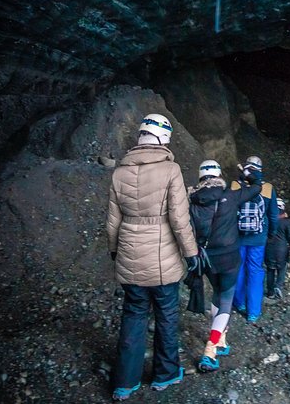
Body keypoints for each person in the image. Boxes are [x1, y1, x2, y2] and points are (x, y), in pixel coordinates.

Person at [107, 113, 200, 401]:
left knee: (134, 315)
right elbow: (179, 218)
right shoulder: (171, 170)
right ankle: (165, 374)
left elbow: (112, 221)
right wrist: (191, 252)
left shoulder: (119, 172)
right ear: (163, 139)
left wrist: (115, 250)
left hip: (130, 256)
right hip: (164, 261)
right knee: (166, 316)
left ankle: (124, 382)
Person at [188, 159, 262, 373]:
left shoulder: (191, 198)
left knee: (217, 295)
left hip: (206, 259)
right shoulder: (230, 196)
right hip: (229, 258)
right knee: (226, 301)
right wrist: (247, 173)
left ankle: (221, 340)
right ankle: (210, 349)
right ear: (218, 174)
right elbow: (257, 187)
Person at [231, 156, 279, 323]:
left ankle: (239, 302)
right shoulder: (267, 189)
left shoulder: (236, 186)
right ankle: (253, 311)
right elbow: (273, 215)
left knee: (239, 267)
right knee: (255, 271)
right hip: (258, 238)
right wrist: (272, 233)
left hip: (239, 236)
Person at [265, 198, 290, 300]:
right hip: (282, 249)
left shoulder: (267, 220)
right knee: (282, 268)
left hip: (269, 249)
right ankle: (278, 286)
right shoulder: (286, 222)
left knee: (270, 270)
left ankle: (270, 292)